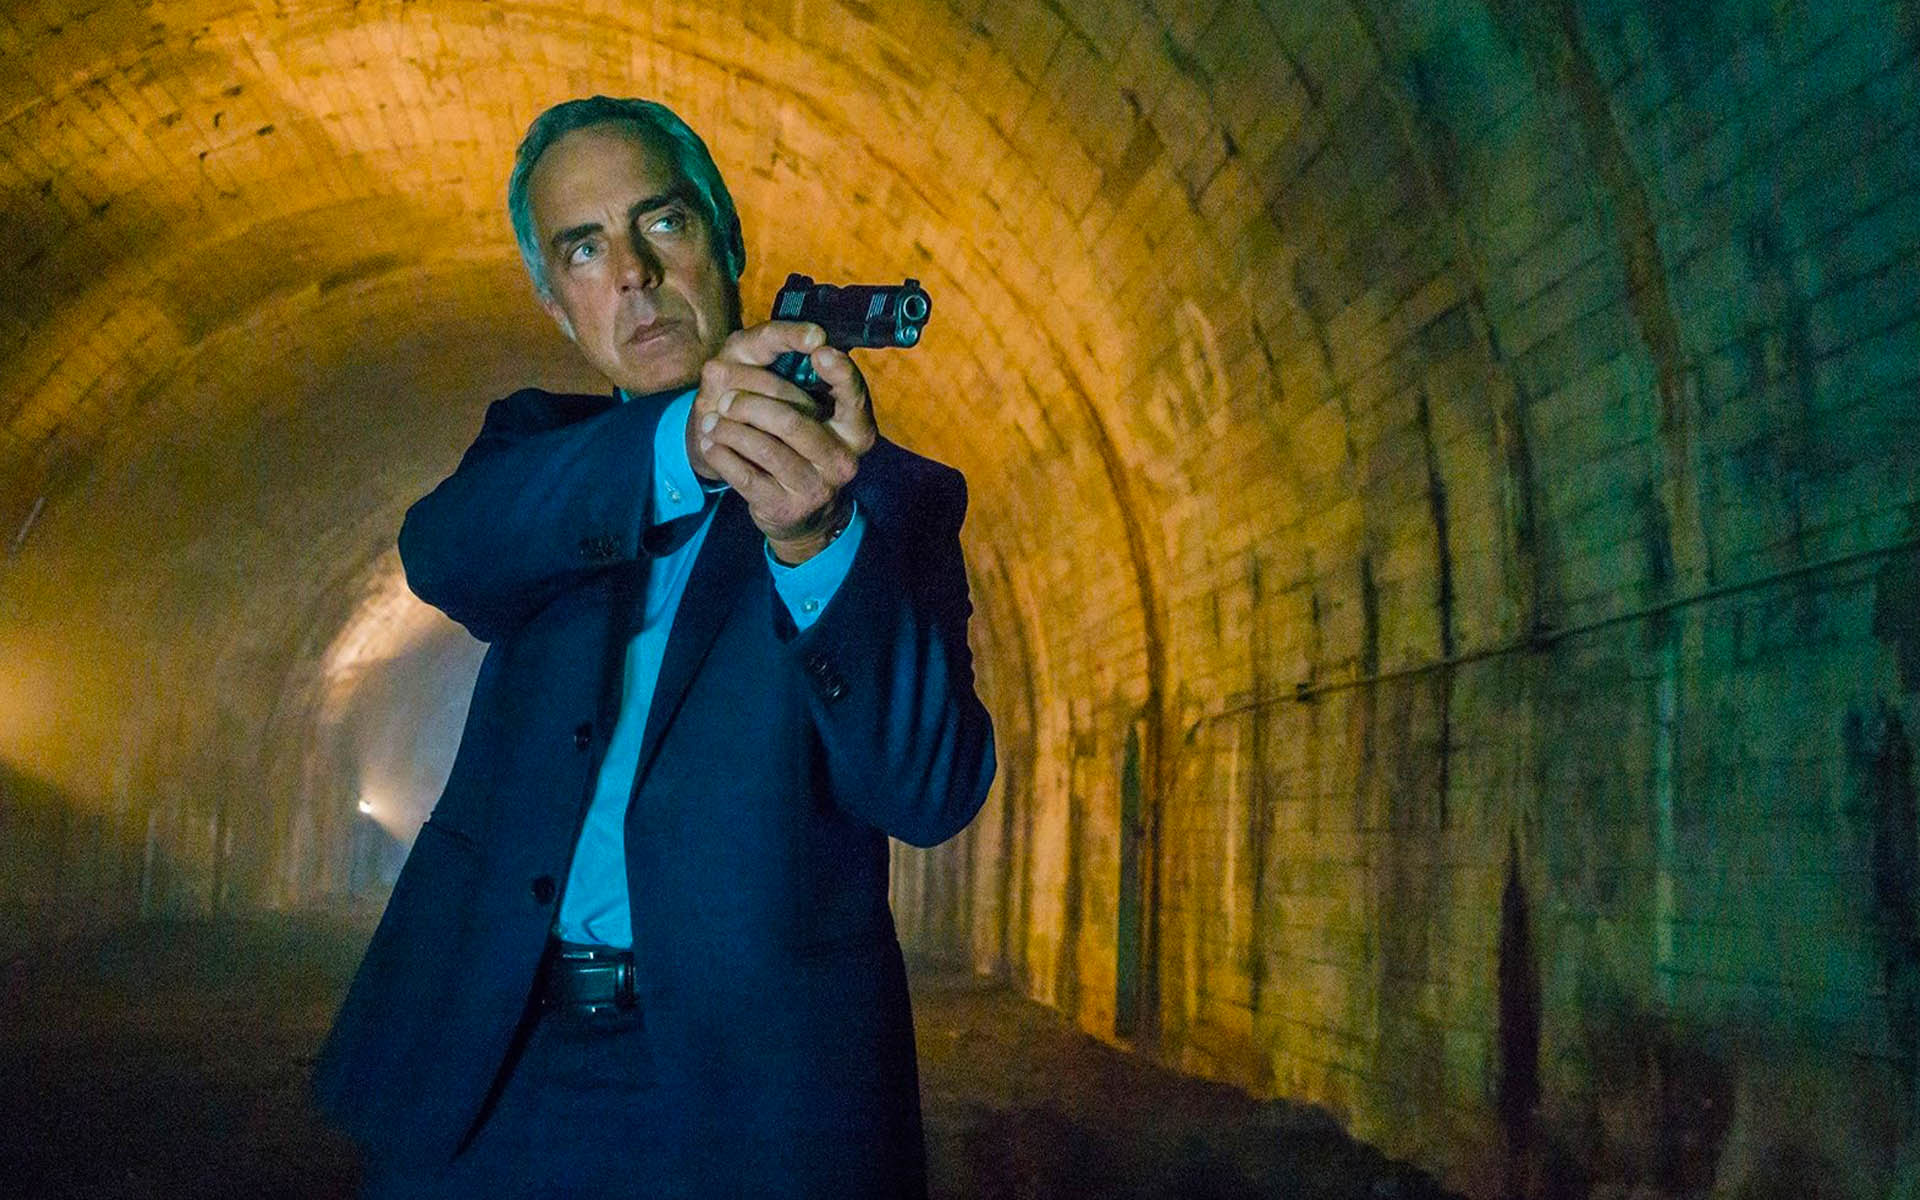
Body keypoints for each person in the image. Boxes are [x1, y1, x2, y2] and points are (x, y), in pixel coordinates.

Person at [312, 95, 996, 1199]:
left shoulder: (889, 501)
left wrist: (816, 541)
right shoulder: (538, 455)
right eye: (584, 248)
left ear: (727, 239)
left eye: (662, 223)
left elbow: (927, 793)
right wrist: (687, 444)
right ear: (556, 301)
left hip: (752, 1098)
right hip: (491, 1067)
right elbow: (443, 550)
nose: (631, 272)